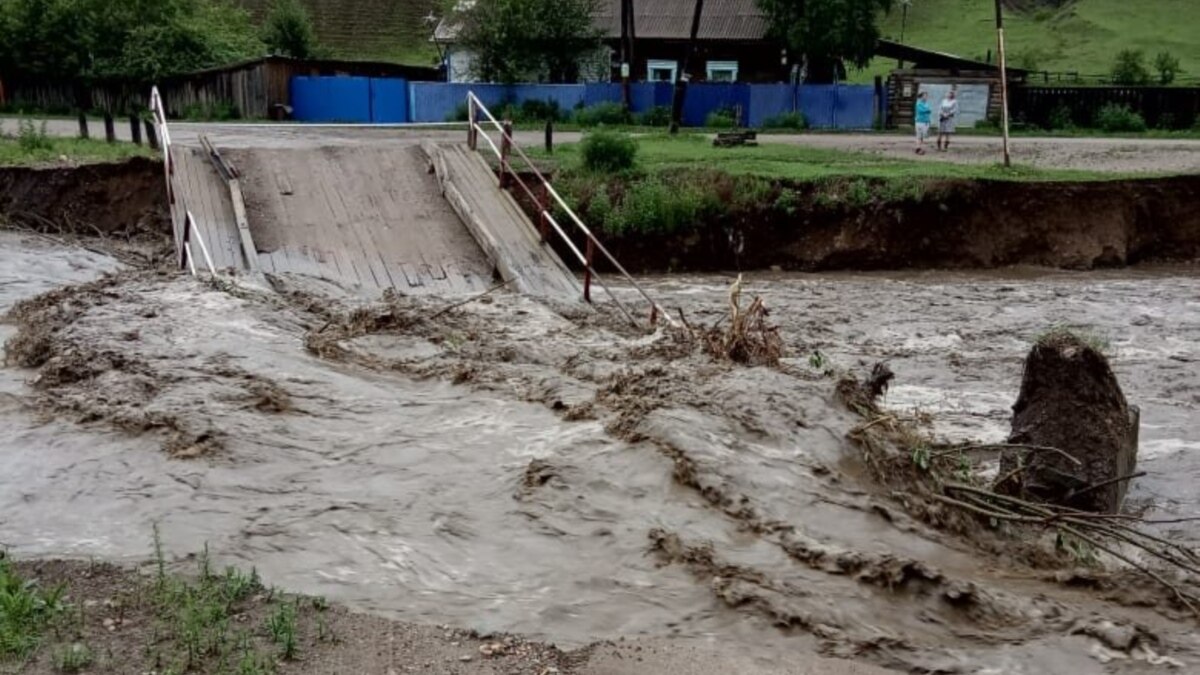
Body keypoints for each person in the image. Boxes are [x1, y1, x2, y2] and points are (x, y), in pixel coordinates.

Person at [937, 87, 960, 151]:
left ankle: (945, 147)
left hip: (949, 118)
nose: (948, 95)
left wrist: (948, 114)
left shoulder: (954, 102)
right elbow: (940, 108)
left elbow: (955, 109)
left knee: (948, 132)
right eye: (948, 93)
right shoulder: (943, 101)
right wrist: (942, 113)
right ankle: (939, 146)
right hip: (942, 117)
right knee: (940, 132)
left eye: (950, 94)